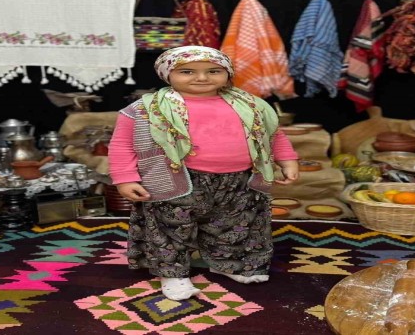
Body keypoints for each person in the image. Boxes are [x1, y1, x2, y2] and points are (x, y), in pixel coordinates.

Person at [108, 46, 299, 301]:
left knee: (236, 224)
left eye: (213, 71)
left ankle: (229, 263)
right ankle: (173, 273)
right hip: (177, 178)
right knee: (172, 227)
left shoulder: (251, 104)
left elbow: (273, 134)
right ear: (166, 74)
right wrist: (125, 178)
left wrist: (287, 160)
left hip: (239, 180)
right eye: (187, 71)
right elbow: (122, 144)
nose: (201, 77)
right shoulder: (145, 108)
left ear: (228, 73)